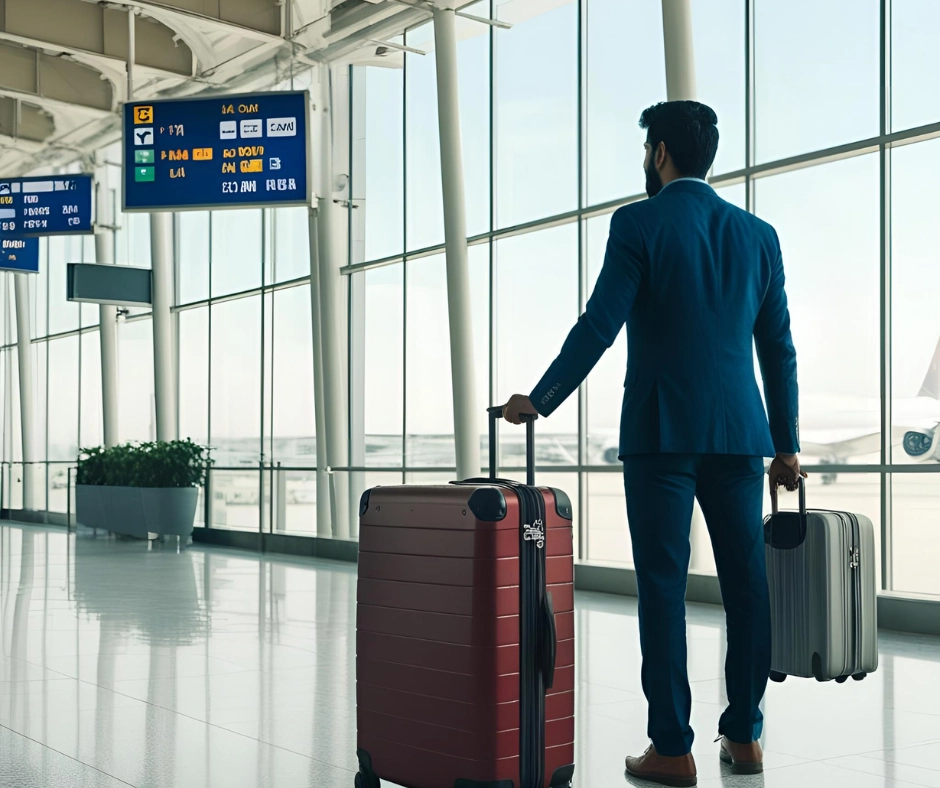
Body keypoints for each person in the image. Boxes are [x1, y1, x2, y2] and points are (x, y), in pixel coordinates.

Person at [503, 100, 805, 787]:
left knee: (664, 589)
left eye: (646, 149)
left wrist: (541, 398)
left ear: (661, 153)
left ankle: (672, 747)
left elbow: (599, 324)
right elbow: (778, 348)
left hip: (662, 436)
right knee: (747, 591)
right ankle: (747, 734)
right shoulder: (758, 235)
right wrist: (785, 443)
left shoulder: (638, 223)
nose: (646, 160)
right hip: (738, 436)